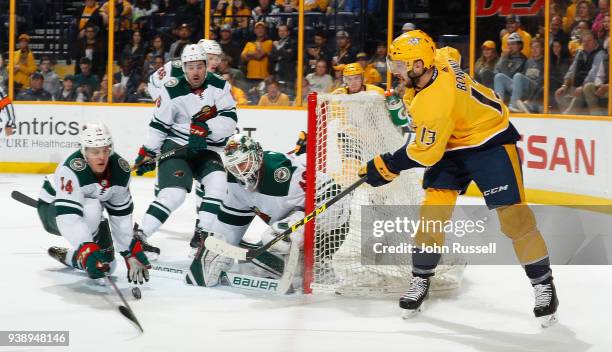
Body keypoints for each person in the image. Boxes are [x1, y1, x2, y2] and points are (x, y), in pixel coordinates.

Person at [360, 30, 558, 326]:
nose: (396, 73)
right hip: (451, 143)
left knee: (514, 217)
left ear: (418, 66)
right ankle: (421, 279)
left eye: (401, 67)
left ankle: (543, 285)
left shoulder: (434, 101)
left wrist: (387, 165)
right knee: (432, 214)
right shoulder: (437, 59)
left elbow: (424, 153)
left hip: (488, 140)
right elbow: (451, 52)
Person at [193, 133, 347, 288]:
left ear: (256, 156)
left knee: (274, 239)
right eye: (234, 167)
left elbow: (334, 196)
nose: (239, 172)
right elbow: (229, 225)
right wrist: (215, 250)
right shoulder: (235, 182)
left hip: (330, 222)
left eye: (243, 163)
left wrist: (298, 228)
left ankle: (317, 266)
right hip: (289, 220)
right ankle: (296, 264)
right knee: (249, 266)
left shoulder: (280, 172)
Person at [133, 44, 237, 257]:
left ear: (206, 66)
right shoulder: (171, 88)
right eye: (191, 67)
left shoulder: (220, 85)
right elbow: (159, 125)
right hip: (176, 145)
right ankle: (140, 236)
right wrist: (148, 152)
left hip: (205, 146)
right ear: (184, 68)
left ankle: (202, 237)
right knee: (175, 194)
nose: (195, 71)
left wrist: (206, 129)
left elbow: (230, 119)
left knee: (218, 183)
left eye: (200, 66)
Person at [37, 123, 151, 284]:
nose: (101, 157)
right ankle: (84, 249)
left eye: (105, 150)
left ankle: (70, 256)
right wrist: (87, 248)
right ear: (84, 151)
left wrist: (128, 252)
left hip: (92, 215)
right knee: (92, 208)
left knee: (107, 266)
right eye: (95, 151)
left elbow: (121, 217)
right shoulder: (71, 170)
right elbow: (68, 218)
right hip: (53, 209)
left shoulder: (121, 171)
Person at [555, 30, 605, 114]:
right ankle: (571, 117)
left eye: (589, 40)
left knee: (578, 96)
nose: (585, 43)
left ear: (596, 41)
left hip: (589, 88)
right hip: (575, 87)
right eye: (584, 41)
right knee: (559, 94)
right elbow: (571, 70)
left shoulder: (600, 53)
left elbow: (593, 75)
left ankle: (566, 117)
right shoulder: (580, 53)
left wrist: (581, 87)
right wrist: (564, 86)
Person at [494, 32, 527, 111]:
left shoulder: (522, 59)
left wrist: (504, 59)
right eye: (509, 44)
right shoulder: (506, 56)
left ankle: (513, 105)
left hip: (518, 87)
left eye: (513, 44)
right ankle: (499, 105)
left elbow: (509, 75)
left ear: (519, 45)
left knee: (500, 76)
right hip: (509, 85)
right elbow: (495, 71)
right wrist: (502, 59)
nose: (510, 47)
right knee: (498, 76)